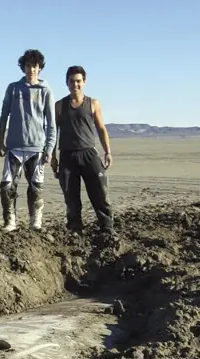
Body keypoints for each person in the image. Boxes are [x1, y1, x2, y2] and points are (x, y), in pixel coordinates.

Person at [50, 65, 115, 236]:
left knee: (100, 192)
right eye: (72, 81)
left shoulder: (92, 103)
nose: (75, 84)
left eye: (78, 81)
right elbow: (52, 132)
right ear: (67, 83)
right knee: (71, 197)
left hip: (88, 153)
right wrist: (52, 156)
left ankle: (107, 227)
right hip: (67, 155)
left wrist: (107, 151)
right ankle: (74, 229)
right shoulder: (59, 106)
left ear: (84, 82)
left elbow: (101, 129)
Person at [0, 49, 56, 231]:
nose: (32, 69)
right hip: (14, 147)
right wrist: (1, 140)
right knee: (7, 186)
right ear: (23, 67)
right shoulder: (13, 88)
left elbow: (51, 122)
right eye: (29, 65)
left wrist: (49, 148)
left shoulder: (45, 90)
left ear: (40, 68)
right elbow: (4, 114)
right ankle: (10, 222)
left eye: (35, 66)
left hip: (36, 148)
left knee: (36, 186)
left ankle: (35, 221)